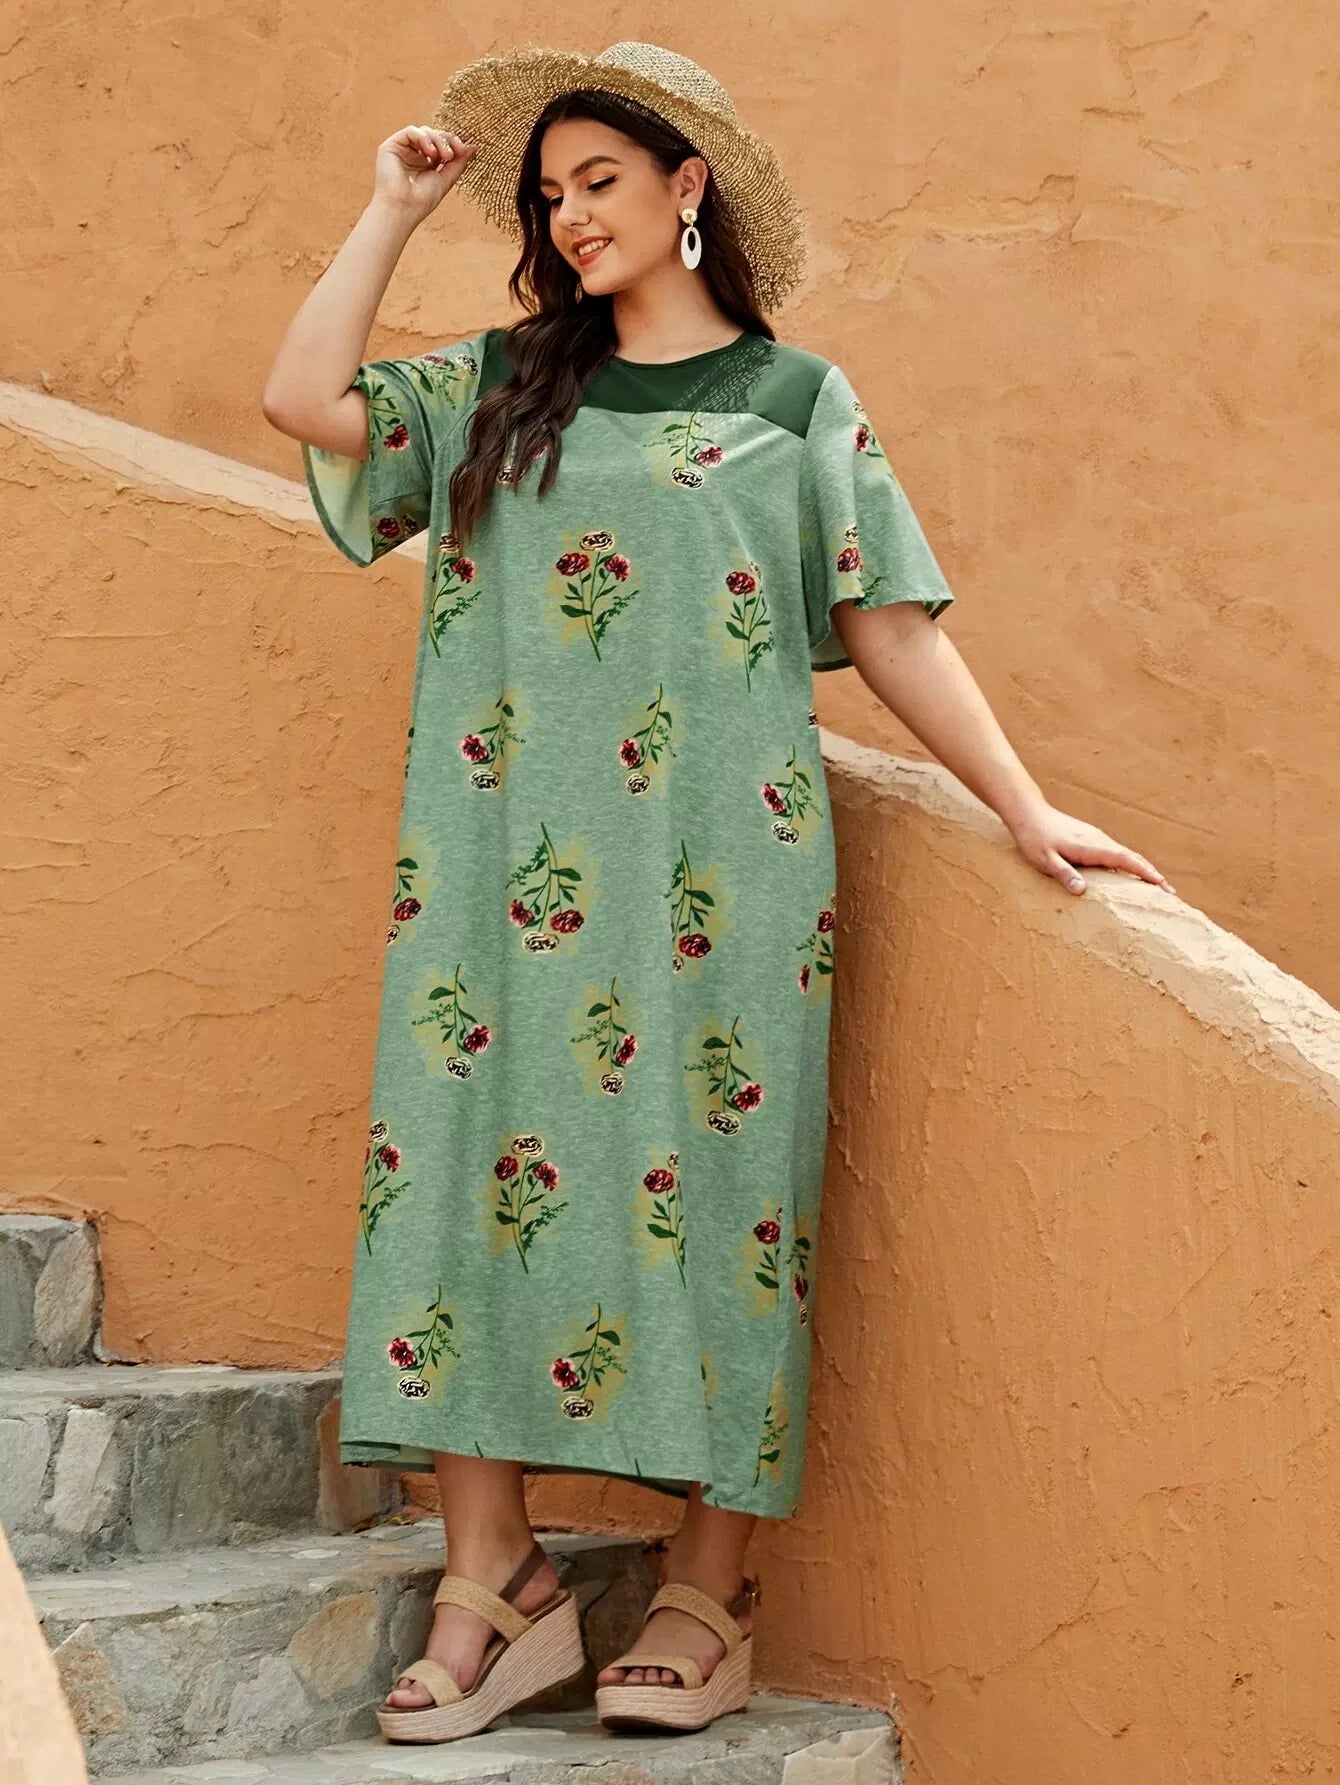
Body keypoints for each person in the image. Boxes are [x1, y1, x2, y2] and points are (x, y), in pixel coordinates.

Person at [262, 39, 1173, 1748]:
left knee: (727, 1188)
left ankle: (707, 1585)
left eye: (600, 180)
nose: (568, 215)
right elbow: (306, 403)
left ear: (689, 188)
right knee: (459, 1161)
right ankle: (493, 1576)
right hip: (495, 862)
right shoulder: (505, 383)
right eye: (550, 193)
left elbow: (889, 623)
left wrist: (1029, 806)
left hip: (720, 871)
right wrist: (392, 212)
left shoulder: (794, 401)